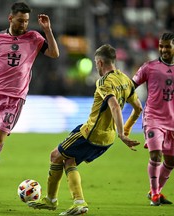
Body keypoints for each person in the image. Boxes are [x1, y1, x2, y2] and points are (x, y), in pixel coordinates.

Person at [27, 44, 143, 215]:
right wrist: (125, 130)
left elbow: (115, 106)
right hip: (107, 139)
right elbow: (138, 108)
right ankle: (75, 202)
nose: (96, 66)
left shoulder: (104, 82)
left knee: (55, 155)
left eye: (96, 63)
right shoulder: (126, 81)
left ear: (100, 62)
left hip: (90, 133)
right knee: (69, 160)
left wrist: (122, 133)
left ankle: (53, 200)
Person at [0, 2, 59, 191]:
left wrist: (48, 30)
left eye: (26, 21)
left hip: (14, 98)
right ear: (11, 19)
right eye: (20, 20)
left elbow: (54, 53)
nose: (24, 24)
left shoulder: (34, 37)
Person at [132, 32, 174, 206]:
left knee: (171, 161)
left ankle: (154, 192)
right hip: (153, 118)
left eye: (167, 46)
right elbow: (131, 85)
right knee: (156, 155)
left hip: (172, 121)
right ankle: (155, 194)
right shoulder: (149, 67)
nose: (163, 49)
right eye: (161, 46)